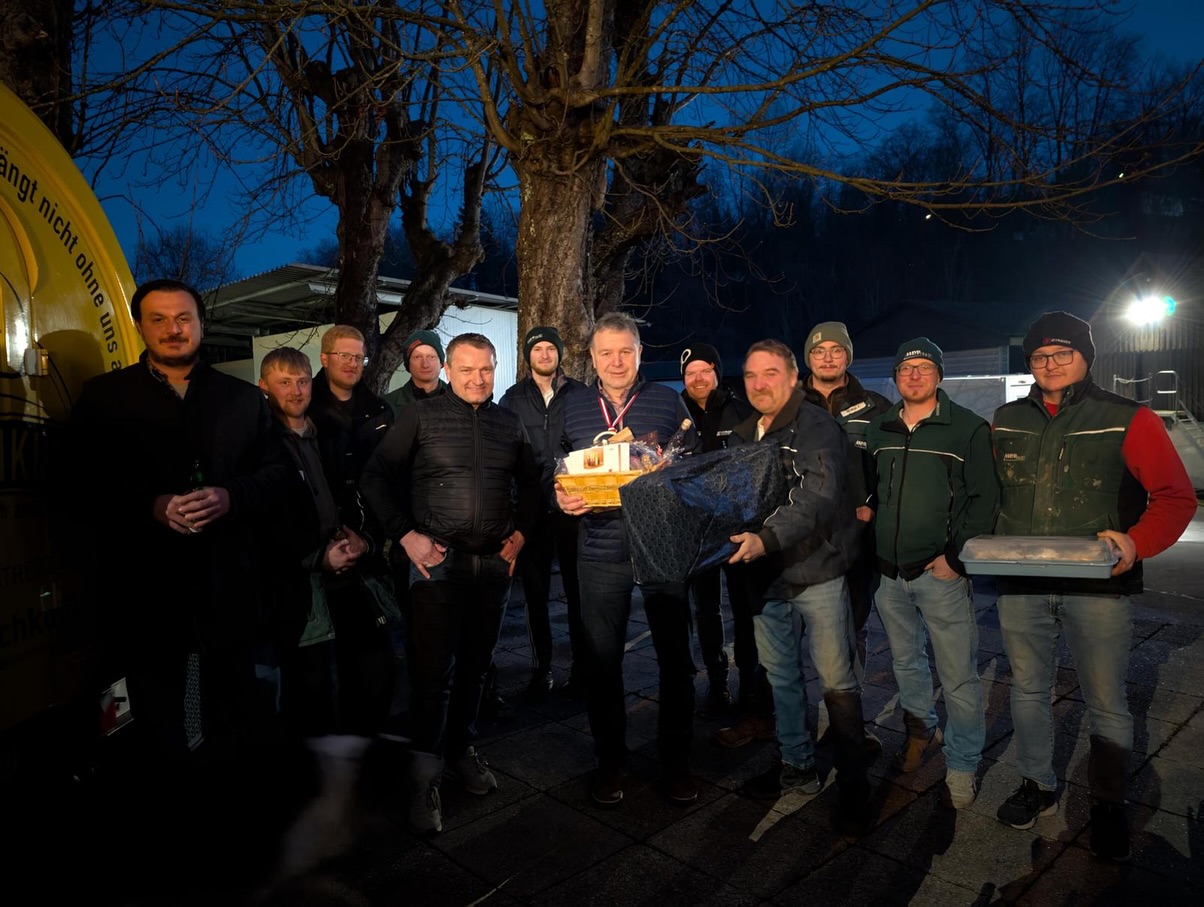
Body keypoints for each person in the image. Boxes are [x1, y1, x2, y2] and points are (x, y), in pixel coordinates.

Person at [990, 312, 1195, 860]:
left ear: (1085, 356)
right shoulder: (1007, 419)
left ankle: (1107, 802)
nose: (1050, 364)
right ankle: (1037, 785)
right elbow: (989, 497)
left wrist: (1136, 543)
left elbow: (1175, 497)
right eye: (1039, 356)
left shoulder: (1128, 417)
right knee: (1029, 692)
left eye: (1062, 353)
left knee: (1106, 701)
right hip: (1023, 584)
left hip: (1098, 587)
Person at [71, 278, 299, 766]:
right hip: (143, 593)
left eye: (183, 319)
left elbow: (281, 476)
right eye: (158, 319)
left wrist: (230, 496)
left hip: (228, 590)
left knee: (234, 718)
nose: (173, 330)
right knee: (152, 720)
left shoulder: (242, 399)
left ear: (200, 323)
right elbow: (78, 483)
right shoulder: (104, 398)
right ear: (139, 327)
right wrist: (151, 505)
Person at [362, 333, 542, 836]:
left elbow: (532, 483)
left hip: (492, 568)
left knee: (477, 669)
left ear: (496, 367)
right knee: (433, 674)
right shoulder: (421, 415)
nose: (477, 379)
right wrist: (405, 536)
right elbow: (374, 477)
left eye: (485, 369)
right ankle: (424, 777)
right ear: (447, 369)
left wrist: (522, 534)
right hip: (437, 565)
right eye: (466, 370)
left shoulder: (510, 422)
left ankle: (460, 751)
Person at [257, 347, 398, 877]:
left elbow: (340, 494)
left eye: (300, 382)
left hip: (340, 564)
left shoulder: (318, 434)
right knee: (308, 687)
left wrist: (352, 536)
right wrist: (317, 555)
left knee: (371, 669)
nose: (295, 390)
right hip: (298, 581)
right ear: (266, 386)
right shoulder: (263, 442)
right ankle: (316, 792)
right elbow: (262, 519)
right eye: (284, 382)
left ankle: (355, 772)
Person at [726, 339, 874, 837]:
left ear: (793, 377)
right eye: (750, 375)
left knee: (837, 681)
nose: (759, 384)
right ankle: (797, 766)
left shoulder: (816, 425)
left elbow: (817, 496)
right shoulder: (743, 432)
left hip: (816, 571)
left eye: (770, 373)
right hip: (764, 577)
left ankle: (855, 784)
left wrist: (764, 539)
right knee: (782, 679)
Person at [556, 312, 699, 807]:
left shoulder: (665, 400)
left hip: (660, 545)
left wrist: (670, 474)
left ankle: (677, 763)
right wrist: (559, 497)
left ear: (640, 352)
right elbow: (547, 468)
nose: (616, 362)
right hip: (599, 549)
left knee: (676, 662)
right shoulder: (572, 405)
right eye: (605, 353)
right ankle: (611, 762)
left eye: (626, 351)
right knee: (602, 663)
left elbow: (693, 465)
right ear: (592, 357)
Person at [864, 337, 999, 810]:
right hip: (888, 575)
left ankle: (962, 764)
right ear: (896, 378)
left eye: (924, 368)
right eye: (906, 369)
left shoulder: (966, 429)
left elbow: (985, 500)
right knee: (905, 662)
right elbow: (872, 491)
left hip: (938, 572)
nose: (914, 375)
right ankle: (921, 729)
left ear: (939, 375)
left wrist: (957, 558)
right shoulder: (880, 428)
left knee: (958, 675)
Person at [677, 343, 768, 732]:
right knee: (706, 609)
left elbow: (759, 464)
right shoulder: (674, 412)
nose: (698, 379)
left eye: (704, 370)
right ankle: (717, 683)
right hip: (696, 527)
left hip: (735, 526)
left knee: (745, 609)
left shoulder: (740, 409)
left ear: (716, 372)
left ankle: (750, 683)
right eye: (690, 372)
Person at [800, 322, 892, 686]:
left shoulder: (876, 407)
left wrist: (875, 506)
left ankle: (842, 724)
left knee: (852, 628)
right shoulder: (787, 404)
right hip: (801, 541)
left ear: (848, 356)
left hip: (855, 542)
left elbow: (891, 468)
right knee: (795, 633)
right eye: (819, 351)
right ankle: (785, 721)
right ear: (808, 358)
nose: (827, 357)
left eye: (836, 350)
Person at [500, 326, 587, 700]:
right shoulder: (512, 398)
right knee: (535, 593)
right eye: (538, 349)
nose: (545, 354)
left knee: (578, 590)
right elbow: (504, 453)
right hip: (532, 508)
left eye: (552, 347)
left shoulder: (581, 394)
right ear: (528, 356)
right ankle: (543, 668)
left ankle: (583, 666)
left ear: (560, 354)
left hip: (574, 505)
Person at [383, 328, 448, 411]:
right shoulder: (387, 405)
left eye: (431, 357)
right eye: (417, 357)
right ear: (408, 364)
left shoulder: (462, 400)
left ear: (441, 363)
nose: (425, 364)